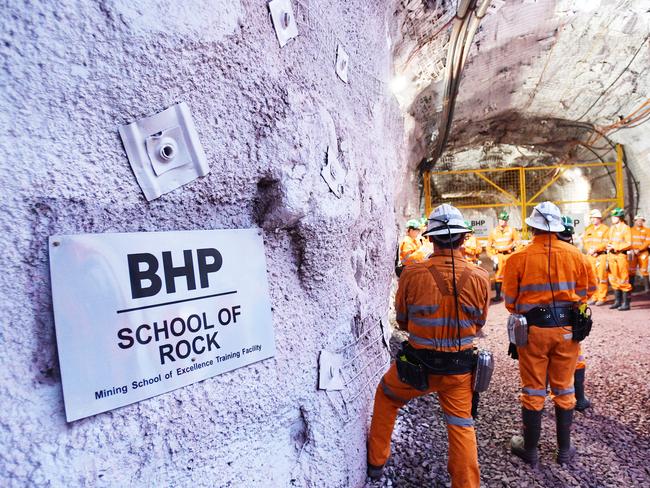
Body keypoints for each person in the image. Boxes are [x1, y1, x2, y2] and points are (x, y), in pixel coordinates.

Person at [367, 204, 489, 487]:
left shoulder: (411, 273)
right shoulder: (481, 277)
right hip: (459, 370)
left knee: (386, 396)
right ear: (463, 238)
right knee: (462, 425)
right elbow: (479, 324)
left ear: (430, 238)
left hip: (417, 366)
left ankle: (375, 465)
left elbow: (403, 320)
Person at [502, 202, 596, 466]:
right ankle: (564, 451)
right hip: (567, 330)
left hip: (532, 332)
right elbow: (590, 289)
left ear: (532, 227)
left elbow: (510, 301)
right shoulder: (576, 255)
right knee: (564, 388)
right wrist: (571, 302)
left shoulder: (518, 258)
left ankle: (530, 450)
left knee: (533, 389)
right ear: (557, 228)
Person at [558, 216, 592, 412]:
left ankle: (542, 397)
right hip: (573, 313)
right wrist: (578, 301)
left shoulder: (543, 255)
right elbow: (592, 287)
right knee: (576, 355)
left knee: (544, 357)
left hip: (544, 317)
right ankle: (579, 398)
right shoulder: (579, 256)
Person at [487, 211, 519, 302]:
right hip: (499, 257)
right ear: (499, 220)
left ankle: (513, 296)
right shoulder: (493, 232)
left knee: (512, 276)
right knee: (498, 276)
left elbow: (518, 243)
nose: (502, 222)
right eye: (501, 220)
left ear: (507, 221)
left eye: (504, 220)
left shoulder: (512, 230)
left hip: (509, 256)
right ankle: (498, 296)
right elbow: (488, 246)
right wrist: (493, 257)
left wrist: (515, 255)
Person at [606, 208, 632, 311]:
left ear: (620, 217)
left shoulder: (625, 228)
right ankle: (617, 302)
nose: (612, 218)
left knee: (623, 278)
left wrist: (616, 247)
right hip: (612, 256)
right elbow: (610, 240)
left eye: (614, 217)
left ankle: (626, 303)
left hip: (621, 255)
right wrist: (608, 246)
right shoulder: (612, 228)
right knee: (614, 278)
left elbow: (629, 244)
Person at [582, 209, 609, 305]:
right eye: (591, 218)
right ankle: (594, 296)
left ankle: (602, 297)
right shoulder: (589, 230)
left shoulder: (605, 229)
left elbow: (606, 242)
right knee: (593, 278)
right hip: (591, 257)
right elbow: (585, 242)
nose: (592, 220)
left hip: (601, 256)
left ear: (599, 218)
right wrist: (589, 250)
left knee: (602, 277)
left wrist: (596, 249)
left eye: (594, 218)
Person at [629, 214, 650, 293]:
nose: (639, 222)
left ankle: (647, 288)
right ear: (635, 221)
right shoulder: (630, 230)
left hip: (643, 252)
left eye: (641, 220)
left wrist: (639, 249)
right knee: (631, 270)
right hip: (632, 252)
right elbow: (628, 241)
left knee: (644, 270)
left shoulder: (647, 230)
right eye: (638, 220)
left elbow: (647, 241)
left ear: (643, 221)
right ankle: (631, 287)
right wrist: (633, 249)